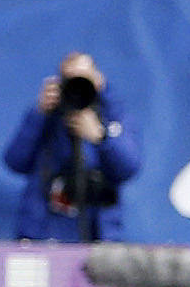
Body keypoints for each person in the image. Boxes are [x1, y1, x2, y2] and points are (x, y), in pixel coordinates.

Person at [7, 53, 141, 243]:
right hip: (45, 235)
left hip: (100, 236)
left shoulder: (114, 115)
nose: (77, 86)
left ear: (98, 79)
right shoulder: (46, 117)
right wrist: (39, 115)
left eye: (83, 78)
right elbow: (15, 161)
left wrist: (101, 137)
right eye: (71, 79)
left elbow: (129, 168)